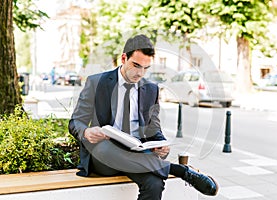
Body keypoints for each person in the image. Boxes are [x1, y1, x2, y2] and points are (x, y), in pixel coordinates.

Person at [68, 34, 218, 200]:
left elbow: (154, 128)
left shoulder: (151, 89)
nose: (140, 73)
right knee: (104, 148)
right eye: (136, 65)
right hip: (105, 157)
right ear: (124, 58)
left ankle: (169, 168)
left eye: (146, 68)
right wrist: (86, 132)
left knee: (155, 184)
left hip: (138, 156)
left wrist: (162, 146)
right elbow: (75, 122)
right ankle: (178, 170)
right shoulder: (97, 83)